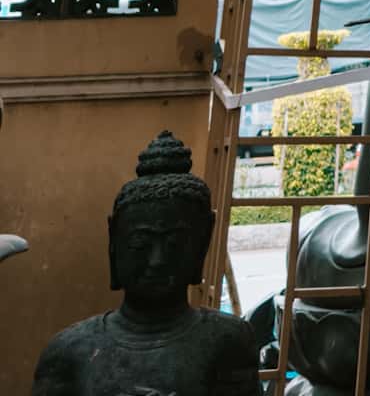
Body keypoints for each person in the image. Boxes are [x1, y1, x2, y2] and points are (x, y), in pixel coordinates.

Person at [31, 130, 260, 394]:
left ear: (201, 247)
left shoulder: (227, 340)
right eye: (140, 244)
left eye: (174, 245)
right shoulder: (68, 351)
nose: (157, 261)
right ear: (114, 246)